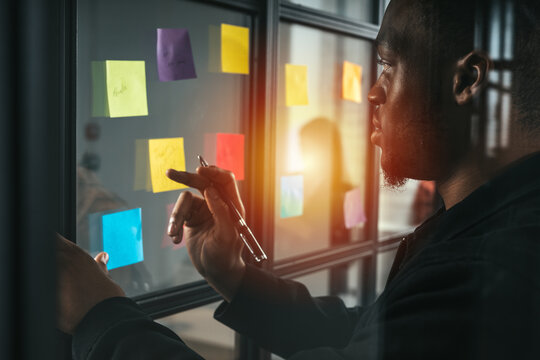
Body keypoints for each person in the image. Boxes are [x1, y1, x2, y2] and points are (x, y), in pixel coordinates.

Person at [57, 0, 540, 358]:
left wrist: (105, 317)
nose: (373, 92)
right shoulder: (491, 229)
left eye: (389, 65)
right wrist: (236, 277)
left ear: (466, 80)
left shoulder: (488, 271)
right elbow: (362, 335)